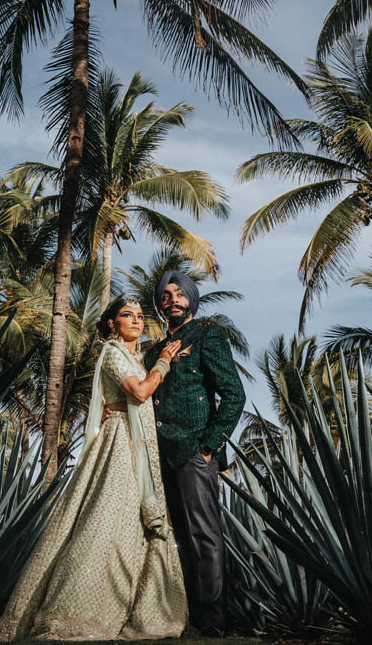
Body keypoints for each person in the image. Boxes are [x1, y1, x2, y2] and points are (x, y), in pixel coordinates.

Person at [0, 298, 188, 642]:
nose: (136, 321)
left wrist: (162, 359)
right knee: (102, 520)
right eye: (127, 315)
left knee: (130, 526)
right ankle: (74, 613)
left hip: (139, 447)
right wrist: (164, 363)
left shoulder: (133, 357)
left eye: (141, 316)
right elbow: (141, 393)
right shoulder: (113, 353)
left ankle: (135, 608)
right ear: (112, 323)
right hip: (120, 445)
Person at [143, 270, 245, 637]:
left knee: (204, 537)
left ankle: (212, 621)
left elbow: (234, 394)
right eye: (166, 295)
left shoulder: (207, 336)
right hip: (160, 454)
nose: (172, 299)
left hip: (193, 453)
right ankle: (183, 616)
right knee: (176, 538)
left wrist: (209, 446)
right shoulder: (152, 352)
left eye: (179, 293)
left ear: (191, 298)